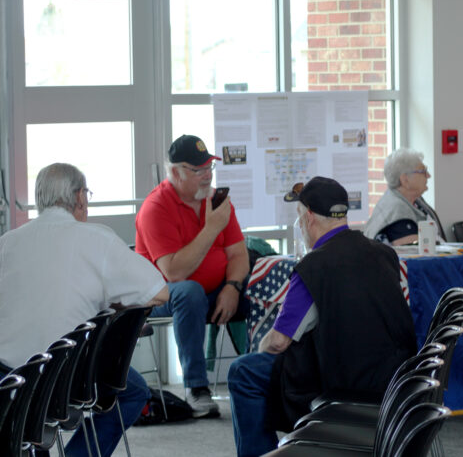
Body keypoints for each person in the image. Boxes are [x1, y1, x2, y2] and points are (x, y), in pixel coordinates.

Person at [227, 176, 417, 456]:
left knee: (244, 370)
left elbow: (279, 342)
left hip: (342, 381)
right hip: (393, 376)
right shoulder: (383, 254)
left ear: (309, 217)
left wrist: (262, 347)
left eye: (299, 215)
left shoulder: (315, 266)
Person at [0, 163, 169, 456]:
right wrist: (113, 302)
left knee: (30, 408)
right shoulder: (97, 239)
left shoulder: (7, 243)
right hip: (69, 379)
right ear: (80, 197)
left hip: (9, 380)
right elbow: (159, 292)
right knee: (134, 393)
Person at [135, 134, 251, 418]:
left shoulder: (218, 202)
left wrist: (234, 287)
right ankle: (197, 387)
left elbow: (239, 255)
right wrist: (211, 228)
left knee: (263, 283)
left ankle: (266, 377)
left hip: (219, 292)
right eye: (198, 170)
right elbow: (174, 272)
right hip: (162, 294)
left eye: (209, 169)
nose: (206, 176)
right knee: (189, 291)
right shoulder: (155, 208)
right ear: (175, 172)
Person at [364, 148, 445, 245]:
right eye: (423, 171)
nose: (428, 175)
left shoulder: (416, 201)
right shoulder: (397, 209)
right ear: (405, 180)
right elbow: (414, 253)